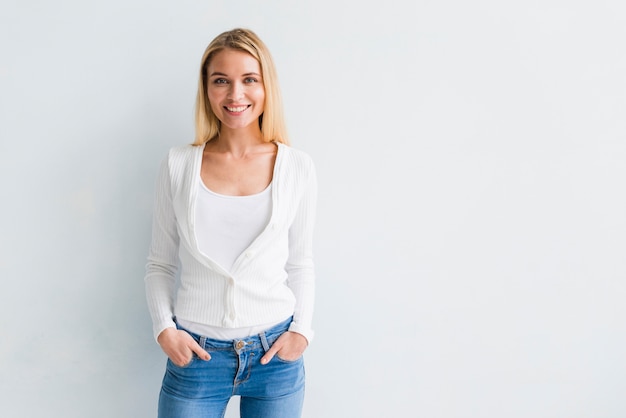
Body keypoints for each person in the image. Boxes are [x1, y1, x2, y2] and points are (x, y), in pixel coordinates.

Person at [144, 28, 317, 418]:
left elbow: (300, 262)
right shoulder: (178, 165)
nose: (235, 95)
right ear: (206, 89)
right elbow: (160, 264)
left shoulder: (297, 167)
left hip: (275, 356)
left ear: (265, 86)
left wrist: (302, 330)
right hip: (197, 358)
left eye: (249, 80)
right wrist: (163, 328)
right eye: (221, 81)